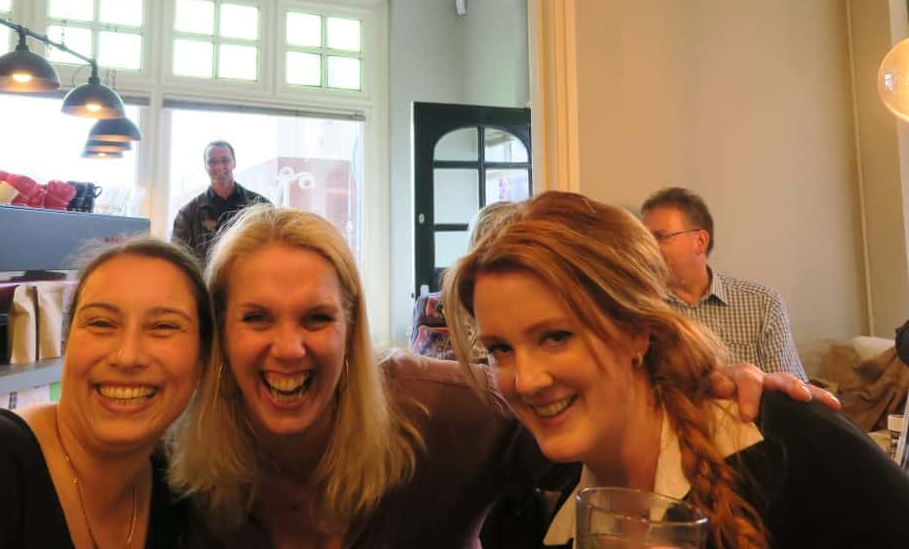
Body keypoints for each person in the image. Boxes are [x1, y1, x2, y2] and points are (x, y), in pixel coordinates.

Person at [169, 204, 836, 549]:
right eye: (256, 318)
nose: (288, 348)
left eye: (317, 318)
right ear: (218, 333)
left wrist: (704, 381)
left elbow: (612, 428)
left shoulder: (444, 412)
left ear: (352, 326)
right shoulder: (172, 461)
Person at [444, 191, 909, 549]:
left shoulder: (786, 441)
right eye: (500, 349)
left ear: (636, 331)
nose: (525, 380)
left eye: (556, 337)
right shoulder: (536, 509)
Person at [0, 237, 213, 547]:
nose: (127, 356)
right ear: (67, 343)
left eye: (163, 326)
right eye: (101, 323)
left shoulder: (179, 496)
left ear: (203, 362)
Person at [640, 186, 806, 379]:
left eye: (660, 237)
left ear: (700, 241)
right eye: (645, 239)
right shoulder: (643, 309)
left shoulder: (764, 304)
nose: (648, 248)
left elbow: (790, 390)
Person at [172, 140, 269, 267]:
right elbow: (178, 260)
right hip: (207, 279)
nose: (218, 166)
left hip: (249, 276)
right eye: (212, 162)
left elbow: (272, 249)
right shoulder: (188, 213)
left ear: (234, 163)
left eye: (225, 160)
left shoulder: (261, 206)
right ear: (205, 166)